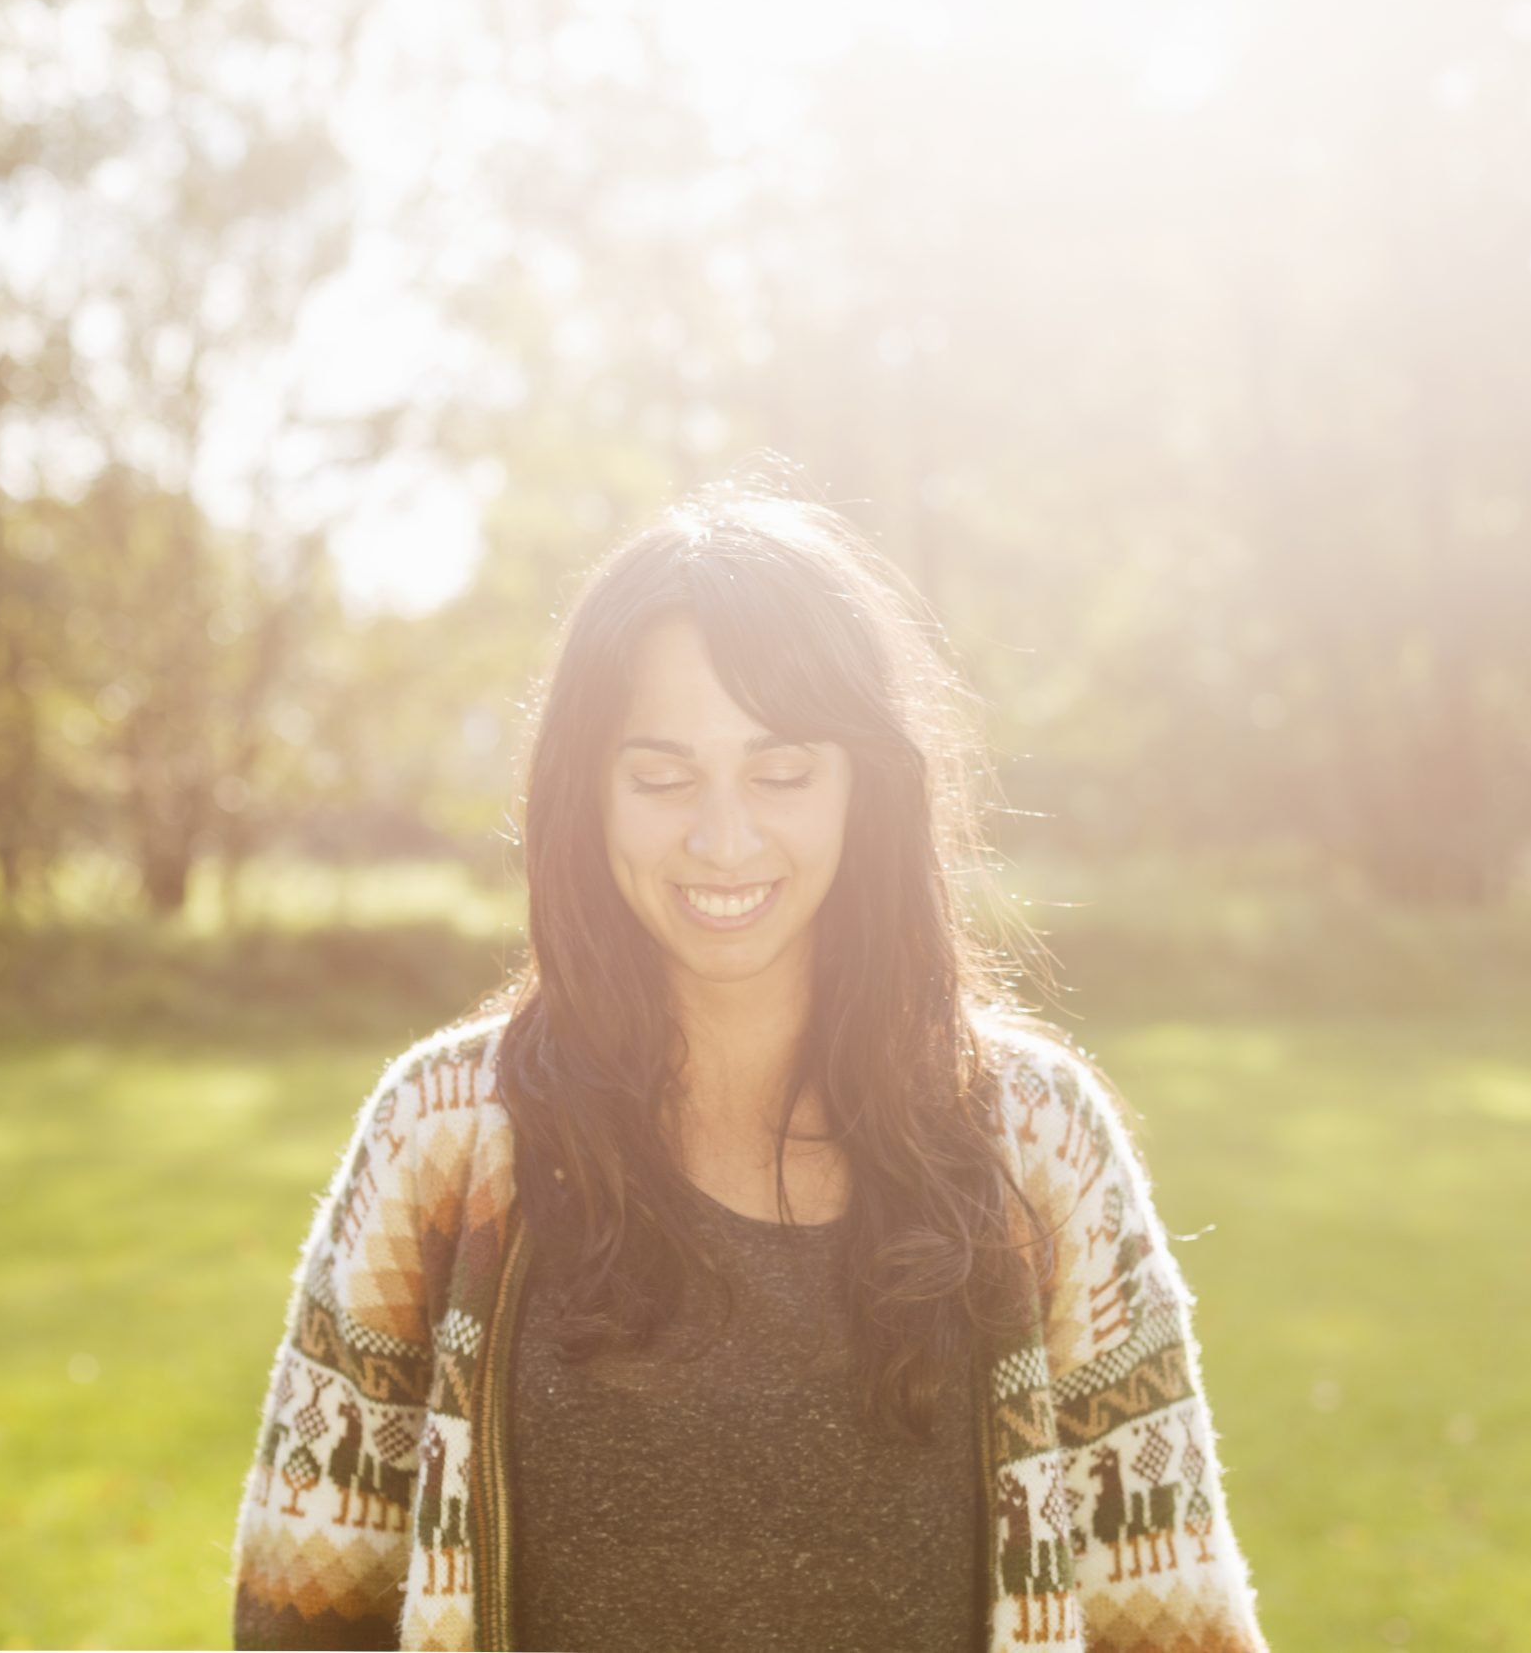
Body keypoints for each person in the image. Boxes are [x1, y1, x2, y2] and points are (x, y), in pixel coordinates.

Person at [228, 491, 1271, 1652]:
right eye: (664, 777)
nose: (724, 840)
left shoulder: (1038, 1145)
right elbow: (301, 1613)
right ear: (587, 793)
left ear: (861, 788)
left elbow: (1169, 1623)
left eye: (781, 773)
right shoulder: (441, 1138)